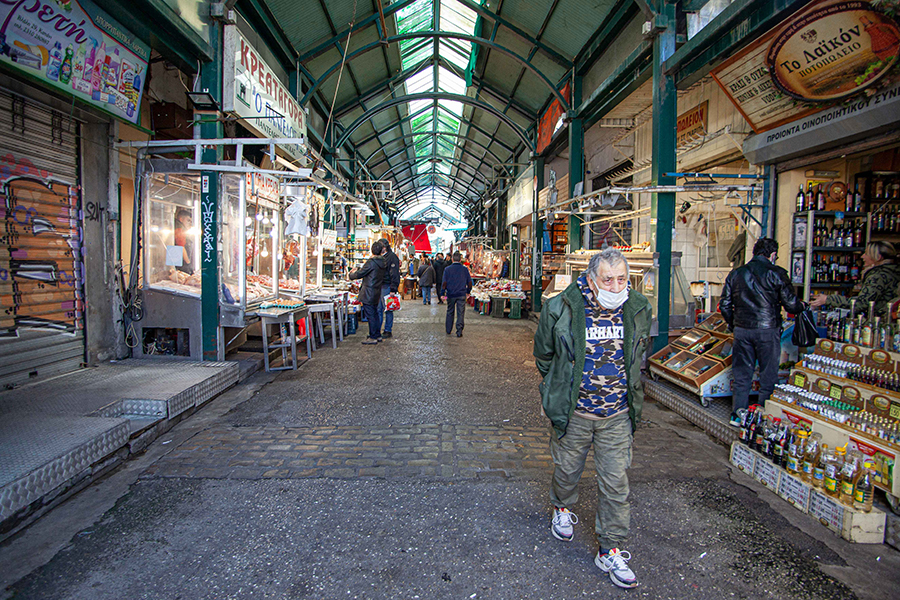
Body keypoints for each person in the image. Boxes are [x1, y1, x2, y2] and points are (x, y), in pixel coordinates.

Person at [533, 248, 651, 590]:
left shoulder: (637, 308)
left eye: (622, 279)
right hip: (576, 411)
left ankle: (610, 548)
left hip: (617, 413)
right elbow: (544, 354)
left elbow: (637, 356)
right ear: (590, 279)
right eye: (608, 279)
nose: (616, 286)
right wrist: (555, 388)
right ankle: (561, 507)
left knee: (616, 483)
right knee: (568, 470)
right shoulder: (561, 308)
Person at [720, 238, 805, 420]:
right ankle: (763, 417)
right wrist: (803, 306)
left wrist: (734, 323)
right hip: (768, 330)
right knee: (768, 375)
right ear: (773, 255)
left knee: (742, 374)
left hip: (742, 330)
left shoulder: (736, 274)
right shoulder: (777, 273)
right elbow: (791, 305)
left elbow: (725, 304)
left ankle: (738, 415)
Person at [809, 241, 900, 318]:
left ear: (878, 257)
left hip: (879, 322)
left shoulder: (878, 276)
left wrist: (828, 299)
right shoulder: (893, 272)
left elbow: (862, 303)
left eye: (867, 254)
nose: (862, 256)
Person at [349, 241, 386, 345]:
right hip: (376, 290)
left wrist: (351, 274)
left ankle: (373, 336)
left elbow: (360, 273)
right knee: (374, 313)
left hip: (368, 291)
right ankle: (377, 334)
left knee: (371, 314)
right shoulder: (382, 261)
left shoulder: (372, 262)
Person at [441, 251, 472, 337]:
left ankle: (448, 329)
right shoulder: (465, 269)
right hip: (461, 294)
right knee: (460, 313)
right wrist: (468, 291)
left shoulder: (447, 269)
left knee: (450, 311)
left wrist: (442, 293)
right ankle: (459, 331)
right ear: (460, 259)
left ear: (452, 259)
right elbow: (469, 282)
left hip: (451, 294)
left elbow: (444, 283)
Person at [376, 238, 402, 338]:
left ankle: (387, 330)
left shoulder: (392, 257)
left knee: (388, 308)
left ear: (384, 247)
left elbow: (394, 274)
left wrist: (393, 288)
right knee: (379, 309)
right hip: (380, 286)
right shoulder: (381, 257)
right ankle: (378, 329)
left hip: (387, 286)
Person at [173, 207, 194, 275]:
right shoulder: (180, 229)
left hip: (177, 262)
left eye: (191, 221)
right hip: (181, 264)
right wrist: (188, 263)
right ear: (181, 219)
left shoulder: (178, 227)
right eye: (188, 220)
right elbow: (181, 247)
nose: (190, 223)